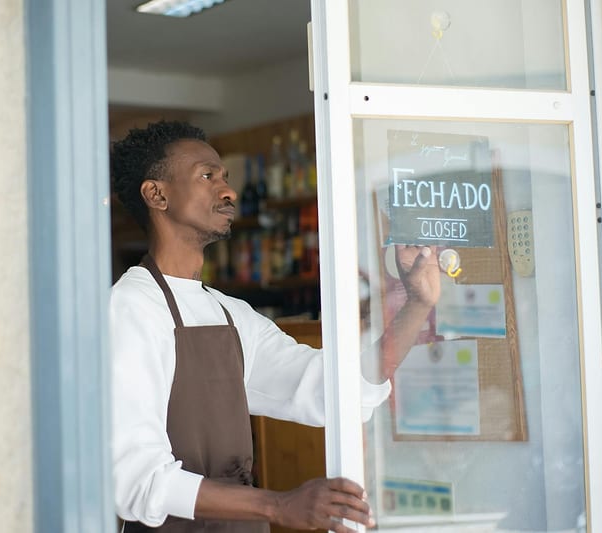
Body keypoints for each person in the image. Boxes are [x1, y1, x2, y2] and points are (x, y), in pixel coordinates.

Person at [109, 120, 441, 532]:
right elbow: (135, 479)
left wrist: (413, 304)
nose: (228, 191)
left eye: (226, 178)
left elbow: (332, 393)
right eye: (207, 176)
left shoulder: (230, 314)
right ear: (156, 194)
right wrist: (277, 506)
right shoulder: (130, 307)